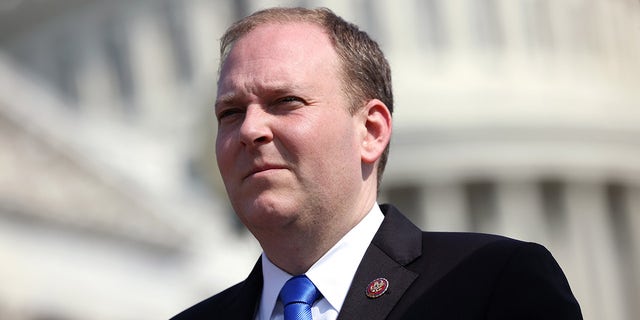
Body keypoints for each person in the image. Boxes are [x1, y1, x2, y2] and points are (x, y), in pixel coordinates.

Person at [172, 7, 582, 320]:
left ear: (370, 130)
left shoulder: (491, 285)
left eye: (285, 102)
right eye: (230, 112)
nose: (250, 129)